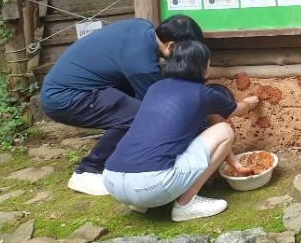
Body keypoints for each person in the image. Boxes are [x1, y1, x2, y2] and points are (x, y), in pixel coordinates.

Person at [40, 15, 204, 196]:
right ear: (171, 46)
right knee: (137, 116)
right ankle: (87, 171)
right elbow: (158, 107)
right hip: (64, 97)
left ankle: (121, 156)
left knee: (134, 109)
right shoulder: (142, 65)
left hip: (76, 87)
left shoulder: (142, 26)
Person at [102, 40, 259, 220]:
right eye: (208, 63)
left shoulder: (155, 88)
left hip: (112, 181)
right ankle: (186, 203)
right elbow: (239, 110)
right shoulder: (203, 94)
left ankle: (140, 204)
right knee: (224, 130)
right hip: (150, 186)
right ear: (203, 68)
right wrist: (250, 102)